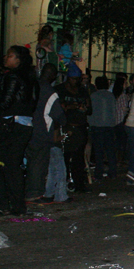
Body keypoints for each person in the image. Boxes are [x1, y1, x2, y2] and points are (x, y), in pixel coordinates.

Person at [0, 46, 38, 216]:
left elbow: (4, 102)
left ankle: (2, 204)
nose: (6, 58)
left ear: (19, 60)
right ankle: (16, 205)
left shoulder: (12, 77)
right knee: (12, 165)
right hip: (21, 124)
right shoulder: (29, 78)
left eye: (10, 56)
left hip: (8, 124)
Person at [25, 63, 65, 202]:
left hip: (27, 129)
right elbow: (58, 115)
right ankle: (34, 193)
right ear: (53, 76)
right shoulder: (50, 92)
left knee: (30, 163)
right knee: (38, 165)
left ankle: (29, 191)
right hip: (41, 133)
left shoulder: (31, 86)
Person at [55, 62, 91, 193]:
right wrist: (72, 106)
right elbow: (58, 108)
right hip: (66, 127)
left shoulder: (82, 90)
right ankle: (62, 185)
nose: (75, 81)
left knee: (78, 158)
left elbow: (89, 108)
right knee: (63, 157)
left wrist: (84, 108)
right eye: (73, 79)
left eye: (77, 79)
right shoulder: (60, 90)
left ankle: (79, 184)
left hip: (80, 127)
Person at [88, 76, 117, 181]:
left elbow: (90, 113)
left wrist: (90, 124)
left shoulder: (93, 96)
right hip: (109, 126)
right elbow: (114, 111)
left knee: (98, 152)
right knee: (110, 151)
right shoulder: (111, 96)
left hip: (97, 126)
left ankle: (98, 174)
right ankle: (112, 172)